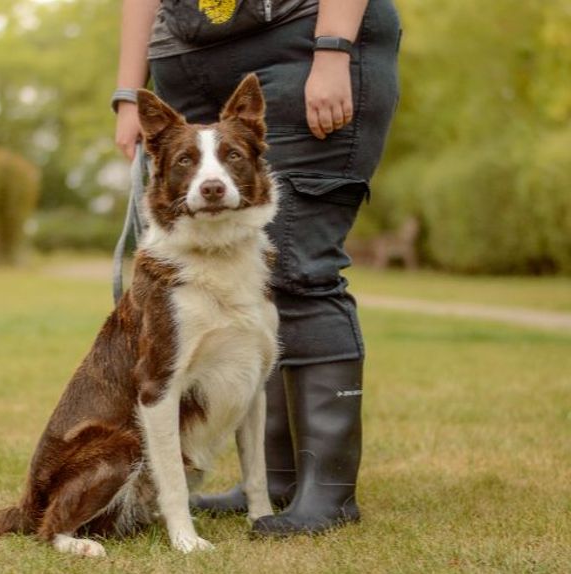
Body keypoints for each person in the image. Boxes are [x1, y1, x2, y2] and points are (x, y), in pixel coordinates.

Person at [113, 0, 401, 536]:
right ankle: (278, 483)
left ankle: (328, 491)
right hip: (184, 57)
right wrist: (129, 92)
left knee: (300, 269)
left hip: (300, 42)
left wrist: (333, 48)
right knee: (257, 296)